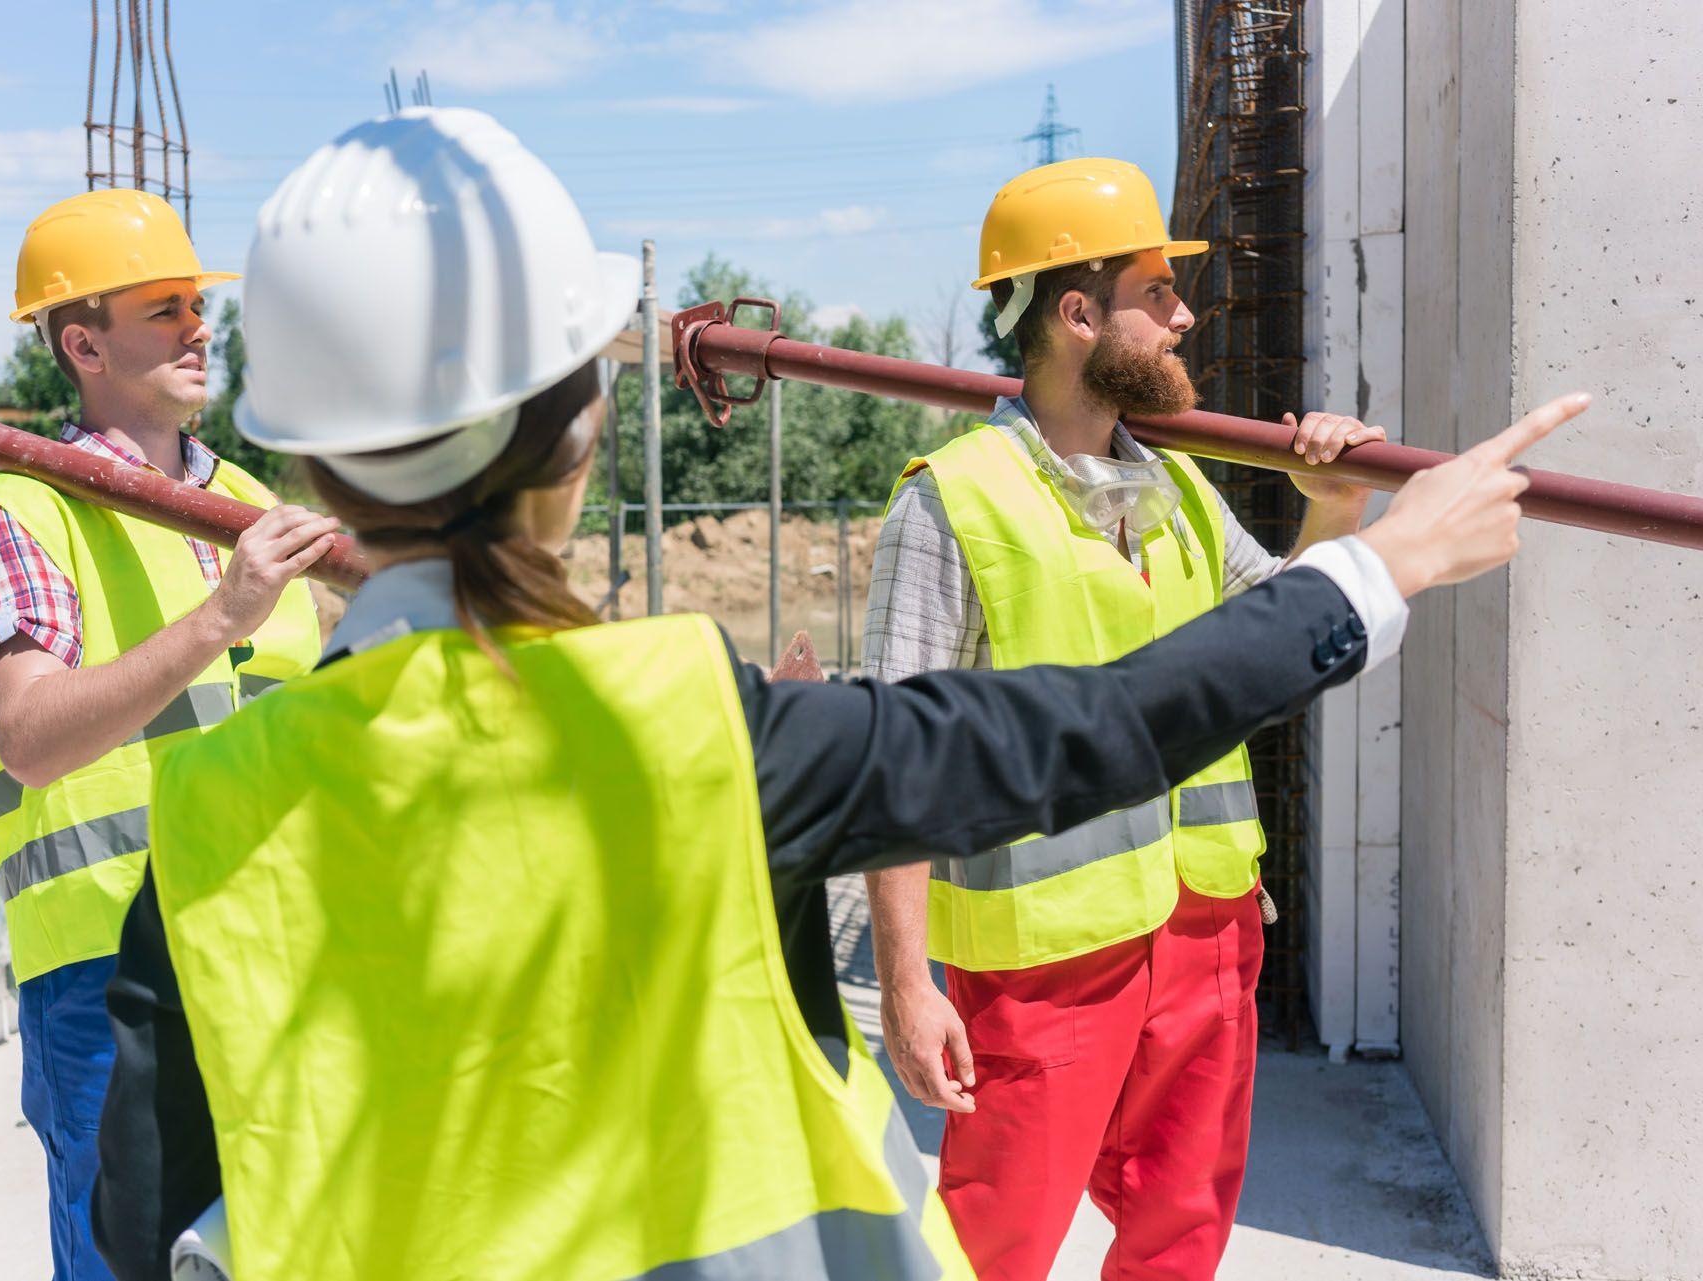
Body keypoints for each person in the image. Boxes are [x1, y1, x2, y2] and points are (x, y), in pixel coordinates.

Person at [87, 110, 1586, 1281]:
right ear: (580, 431)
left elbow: (142, 1220)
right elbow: (1089, 728)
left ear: (312, 462)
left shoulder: (213, 810)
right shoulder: (691, 722)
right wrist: (1383, 568)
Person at [858, 156, 1406, 1281]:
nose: (1184, 315)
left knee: (1181, 1235)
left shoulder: (1183, 489)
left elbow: (1285, 645)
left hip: (1205, 932)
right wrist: (910, 986)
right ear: (1077, 314)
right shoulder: (950, 506)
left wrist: (1338, 511)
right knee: (994, 1245)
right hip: (1044, 964)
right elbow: (894, 766)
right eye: (1157, 291)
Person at [0, 189, 330, 1281]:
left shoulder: (247, 505)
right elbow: (33, 736)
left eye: (197, 305)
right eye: (163, 311)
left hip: (272, 955)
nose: (199, 328)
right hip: (105, 976)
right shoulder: (23, 516)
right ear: (83, 343)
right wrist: (220, 616)